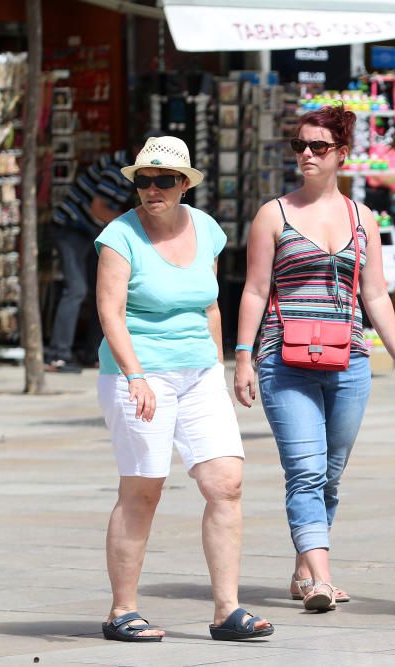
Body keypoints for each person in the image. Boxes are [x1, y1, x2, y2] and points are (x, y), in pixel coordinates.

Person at [233, 105, 395, 613]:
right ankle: (322, 579)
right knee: (306, 471)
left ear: (341, 154)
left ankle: (303, 566)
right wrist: (243, 357)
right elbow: (254, 289)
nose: (306, 155)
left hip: (350, 360)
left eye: (317, 147)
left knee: (330, 472)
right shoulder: (275, 213)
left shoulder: (364, 218)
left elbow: (375, 294)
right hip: (283, 358)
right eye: (299, 146)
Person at [95, 136, 273, 642]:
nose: (152, 189)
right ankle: (122, 610)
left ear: (184, 184)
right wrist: (135, 377)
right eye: (144, 181)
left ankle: (227, 610)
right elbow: (110, 313)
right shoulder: (118, 237)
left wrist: (222, 366)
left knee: (226, 483)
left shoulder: (208, 229)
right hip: (139, 371)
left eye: (164, 180)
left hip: (198, 372)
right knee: (143, 490)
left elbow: (210, 304)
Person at [48, 149, 134, 372]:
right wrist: (131, 225)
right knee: (76, 289)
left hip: (89, 230)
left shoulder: (127, 168)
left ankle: (93, 352)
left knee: (103, 290)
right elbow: (99, 208)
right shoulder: (117, 169)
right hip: (71, 227)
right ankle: (58, 355)